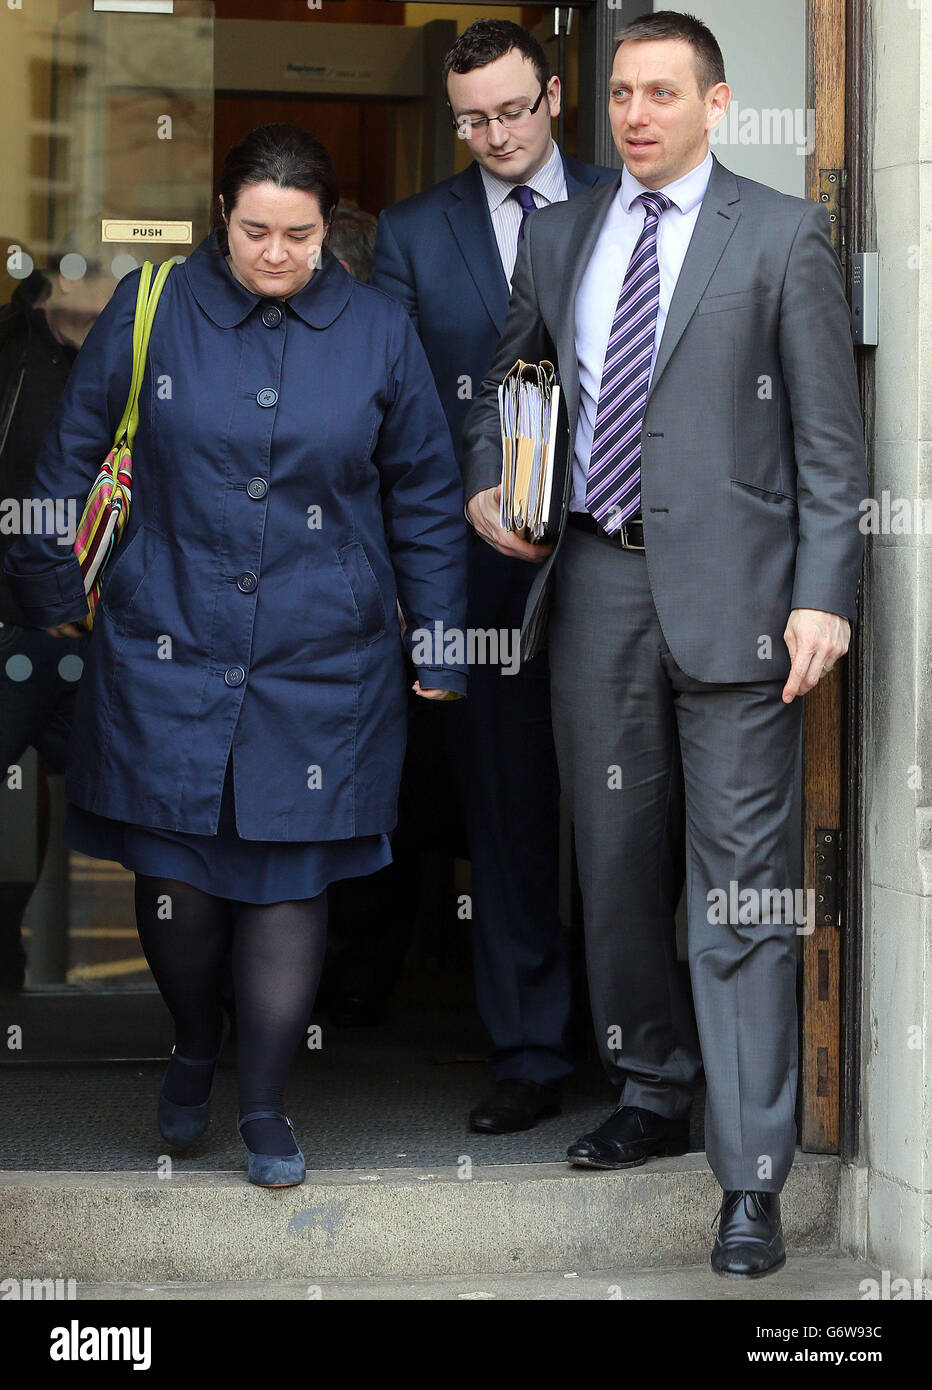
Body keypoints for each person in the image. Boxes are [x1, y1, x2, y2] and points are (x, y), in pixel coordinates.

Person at [461, 11, 867, 1276]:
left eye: (659, 94)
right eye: (620, 96)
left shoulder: (783, 234)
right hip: (593, 585)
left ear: (715, 103)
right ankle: (649, 1083)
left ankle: (747, 1176)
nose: (633, 116)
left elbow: (828, 440)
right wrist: (492, 483)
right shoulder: (567, 230)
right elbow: (511, 385)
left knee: (738, 891)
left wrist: (823, 589)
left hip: (745, 606)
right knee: (617, 860)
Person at [4, 123, 467, 1188]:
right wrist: (51, 584)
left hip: (325, 659)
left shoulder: (378, 328)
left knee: (289, 882)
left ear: (328, 230)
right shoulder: (152, 305)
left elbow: (426, 495)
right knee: (179, 886)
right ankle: (193, 1045)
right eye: (255, 230)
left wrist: (438, 637)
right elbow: (66, 455)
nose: (274, 252)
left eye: (298, 235)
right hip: (167, 639)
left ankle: (262, 1102)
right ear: (223, 219)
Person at [370, 18, 617, 1135]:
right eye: (470, 118)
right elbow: (404, 409)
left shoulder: (632, 204)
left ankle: (636, 1040)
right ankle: (525, 1049)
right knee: (508, 809)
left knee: (633, 808)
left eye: (512, 110)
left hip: (623, 558)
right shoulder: (413, 235)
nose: (493, 134)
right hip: (481, 570)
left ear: (554, 95)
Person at [0, 249, 114, 990]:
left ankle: (211, 1006)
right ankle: (7, 953)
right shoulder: (10, 353)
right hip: (12, 618)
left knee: (149, 806)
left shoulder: (143, 359)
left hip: (117, 626)